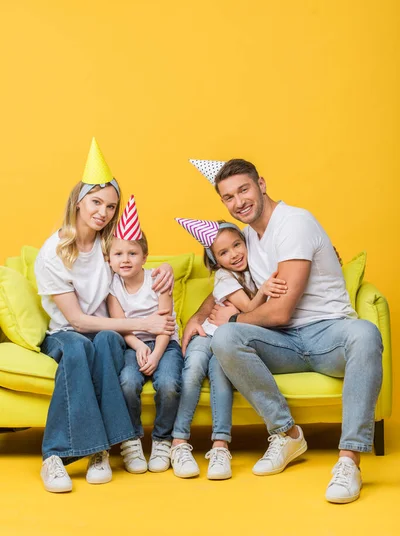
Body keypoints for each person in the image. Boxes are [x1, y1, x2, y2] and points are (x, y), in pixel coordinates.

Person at [184, 158, 383, 504]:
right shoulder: (246, 237)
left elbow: (280, 311)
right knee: (227, 340)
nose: (239, 202)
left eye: (243, 189)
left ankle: (349, 460)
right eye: (228, 197)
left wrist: (230, 321)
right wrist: (197, 317)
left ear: (261, 184)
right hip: (284, 343)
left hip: (328, 334)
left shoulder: (294, 222)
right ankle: (287, 434)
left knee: (365, 333)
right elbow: (225, 280)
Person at [34, 139, 174, 493]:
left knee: (109, 341)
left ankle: (104, 450)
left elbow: (137, 264)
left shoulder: (108, 245)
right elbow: (78, 321)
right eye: (96, 202)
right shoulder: (52, 253)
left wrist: (167, 270)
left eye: (111, 206)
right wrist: (143, 324)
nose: (103, 212)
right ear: (78, 201)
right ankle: (59, 455)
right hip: (66, 333)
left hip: (107, 333)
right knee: (80, 347)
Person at [170, 218, 287, 480]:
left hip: (227, 339)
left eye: (237, 245)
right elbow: (249, 310)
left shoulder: (256, 263)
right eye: (224, 252)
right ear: (216, 260)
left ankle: (220, 446)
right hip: (206, 333)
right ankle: (178, 442)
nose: (234, 254)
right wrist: (264, 291)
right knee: (193, 372)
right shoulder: (224, 277)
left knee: (221, 376)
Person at [107, 195, 184, 474]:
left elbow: (165, 325)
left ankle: (163, 439)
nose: (125, 259)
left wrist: (157, 353)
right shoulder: (112, 287)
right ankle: (132, 440)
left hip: (165, 344)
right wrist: (139, 346)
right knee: (127, 382)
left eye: (132, 253)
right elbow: (121, 323)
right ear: (109, 259)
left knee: (169, 383)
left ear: (145, 257)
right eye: (118, 254)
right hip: (133, 343)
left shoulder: (158, 280)